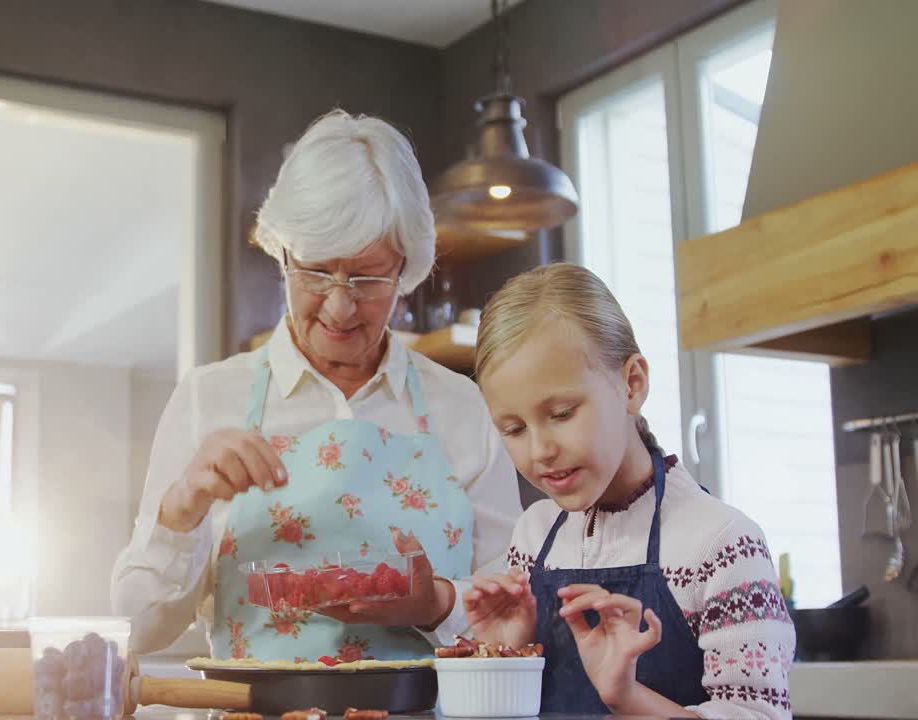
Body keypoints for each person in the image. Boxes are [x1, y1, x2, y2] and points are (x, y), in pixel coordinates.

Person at [111, 110, 522, 661]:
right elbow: (135, 630)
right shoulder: (208, 398)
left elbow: (514, 607)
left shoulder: (461, 405)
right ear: (282, 254)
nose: (339, 305)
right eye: (315, 271)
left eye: (369, 277)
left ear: (407, 269)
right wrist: (181, 507)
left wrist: (437, 604)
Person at [464, 262, 795, 718]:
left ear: (632, 384)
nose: (540, 450)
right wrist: (506, 657)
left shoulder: (720, 544)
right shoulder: (534, 535)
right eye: (515, 428)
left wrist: (627, 697)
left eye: (561, 413)